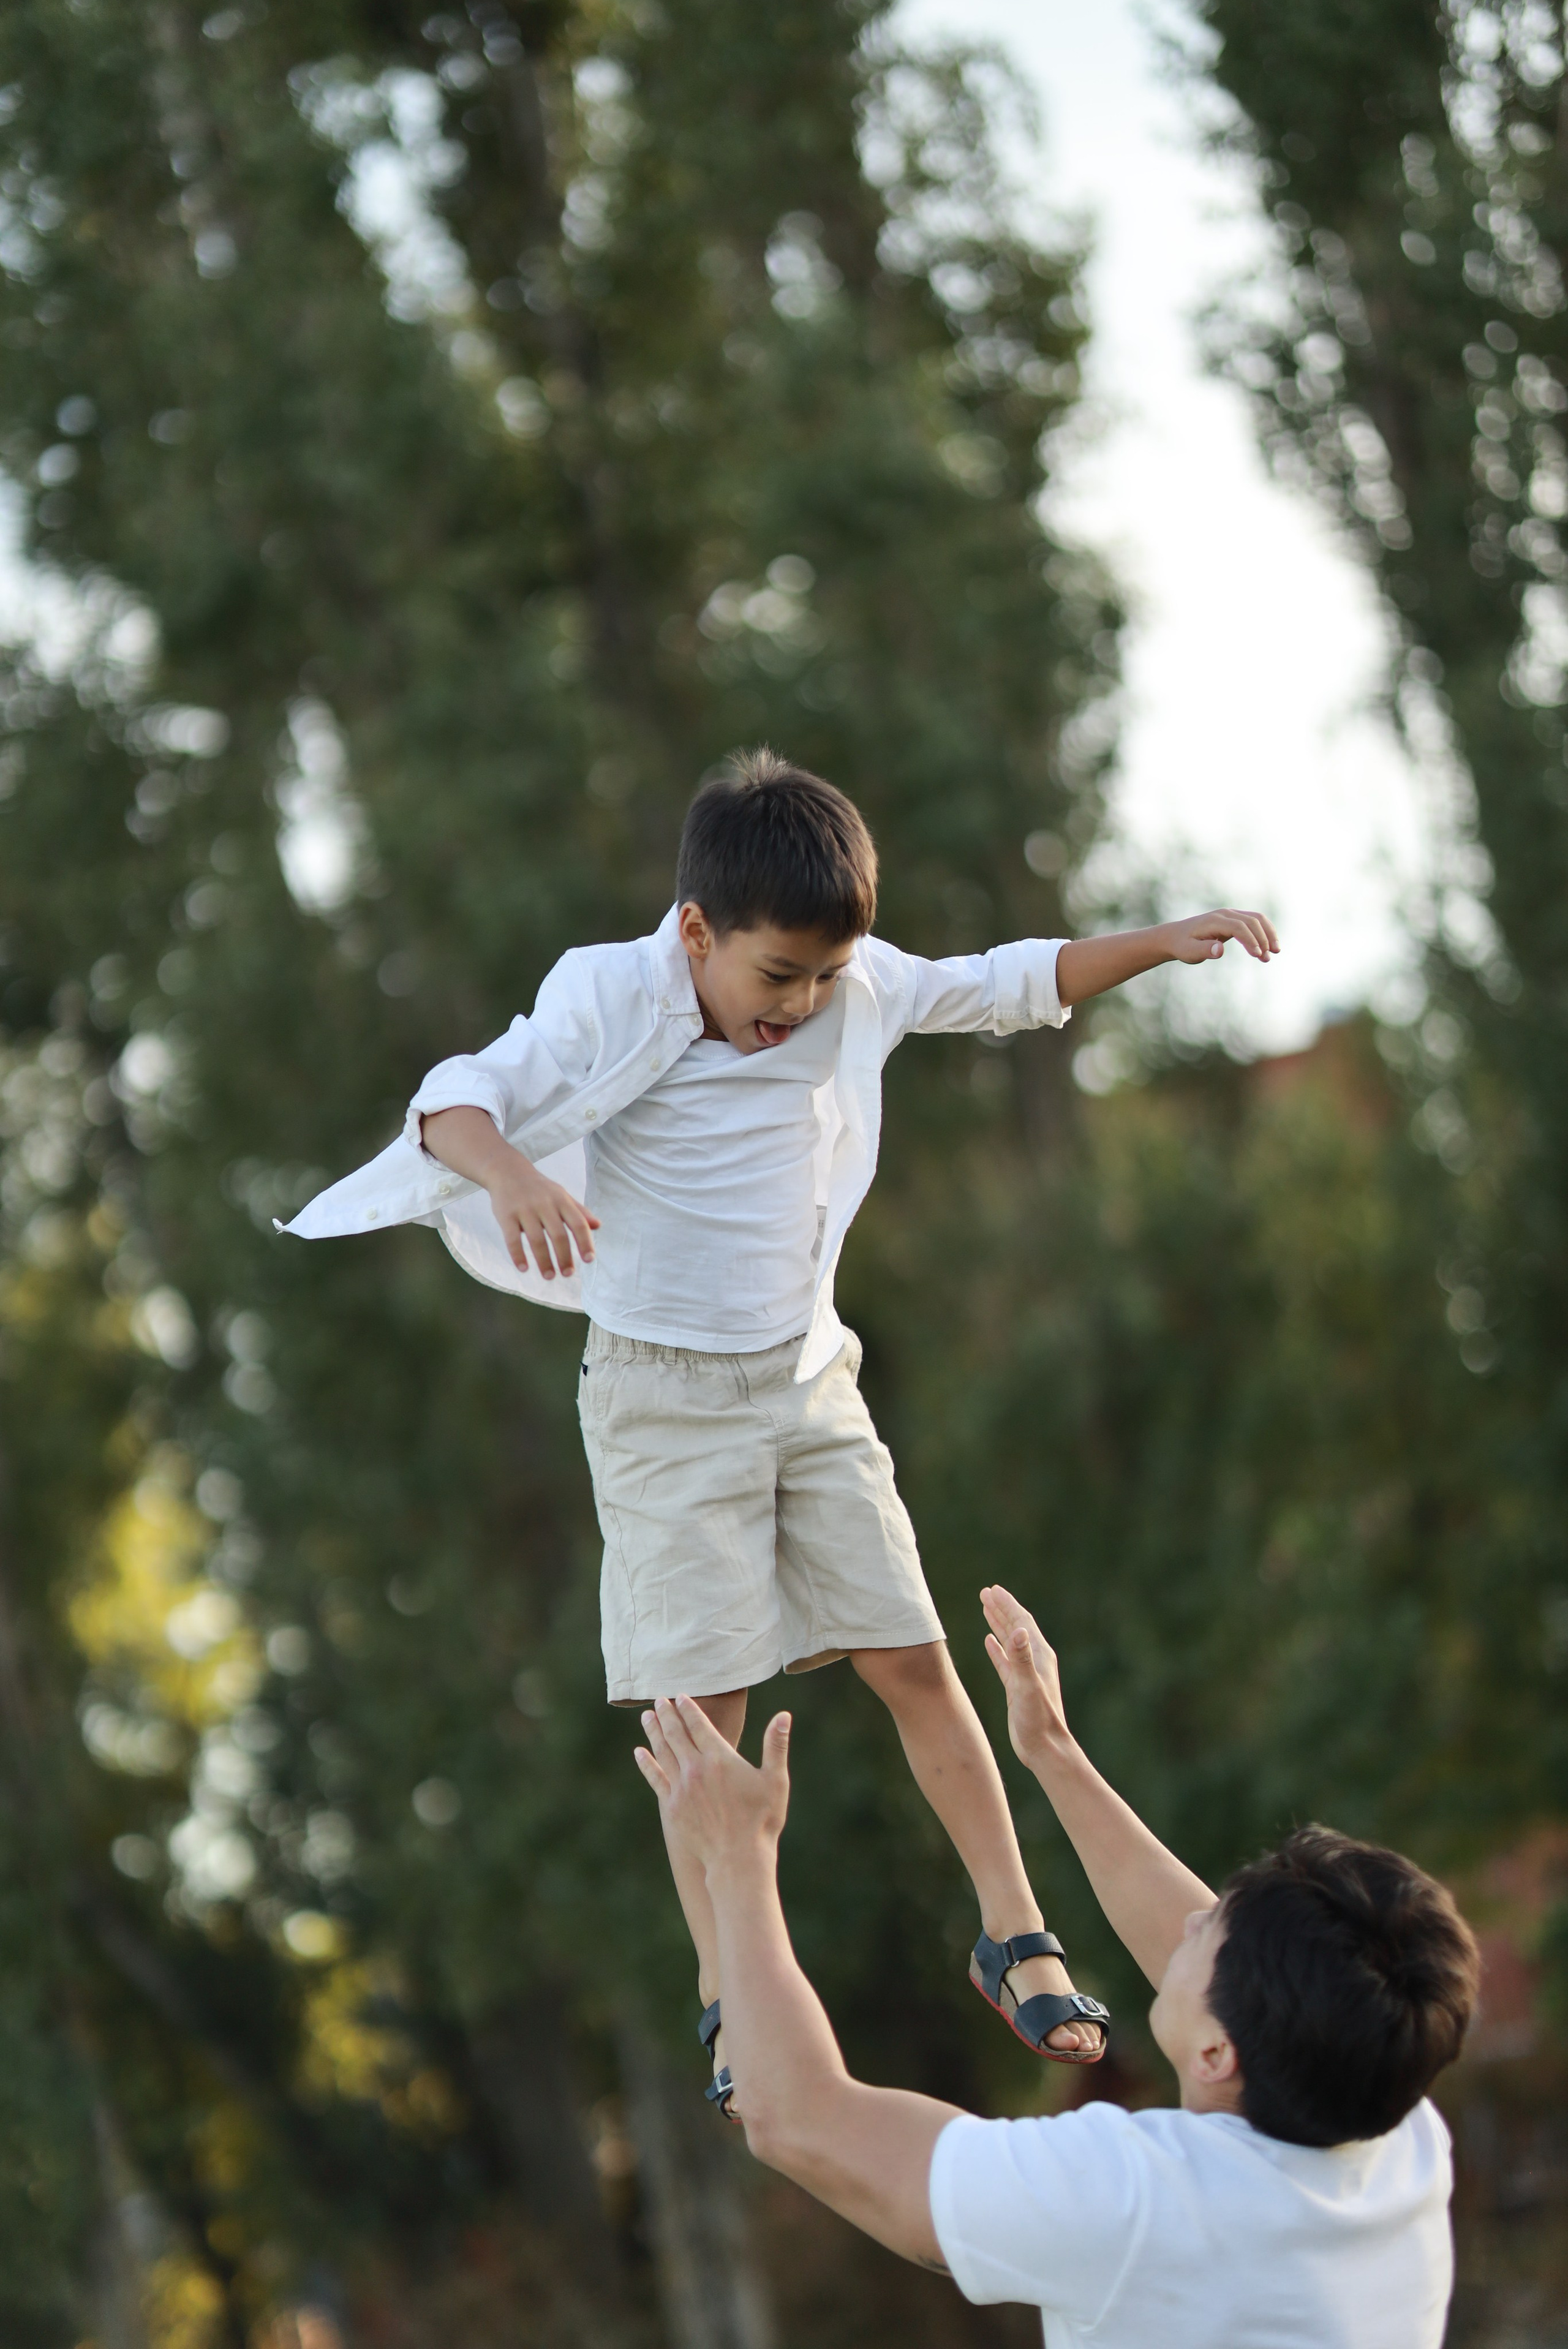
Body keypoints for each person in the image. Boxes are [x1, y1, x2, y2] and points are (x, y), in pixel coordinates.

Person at [282, 749, 1280, 2108]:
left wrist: (1158, 944)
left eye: (821, 980)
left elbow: (1004, 983)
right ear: (696, 933)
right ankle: (724, 1981)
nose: (800, 1008)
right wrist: (513, 1177)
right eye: (775, 979)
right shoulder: (608, 990)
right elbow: (455, 1098)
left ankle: (1011, 1931)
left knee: (913, 1657)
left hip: (807, 1380)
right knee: (705, 1722)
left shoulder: (851, 990)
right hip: (658, 1399)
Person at [633, 1583, 1480, 2348]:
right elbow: (1242, 1981)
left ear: (1219, 2055)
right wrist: (1053, 1751)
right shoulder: (1392, 2127)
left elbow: (800, 2121)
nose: (1182, 1922)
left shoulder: (1135, 2204)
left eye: (1203, 1931)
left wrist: (739, 1863)